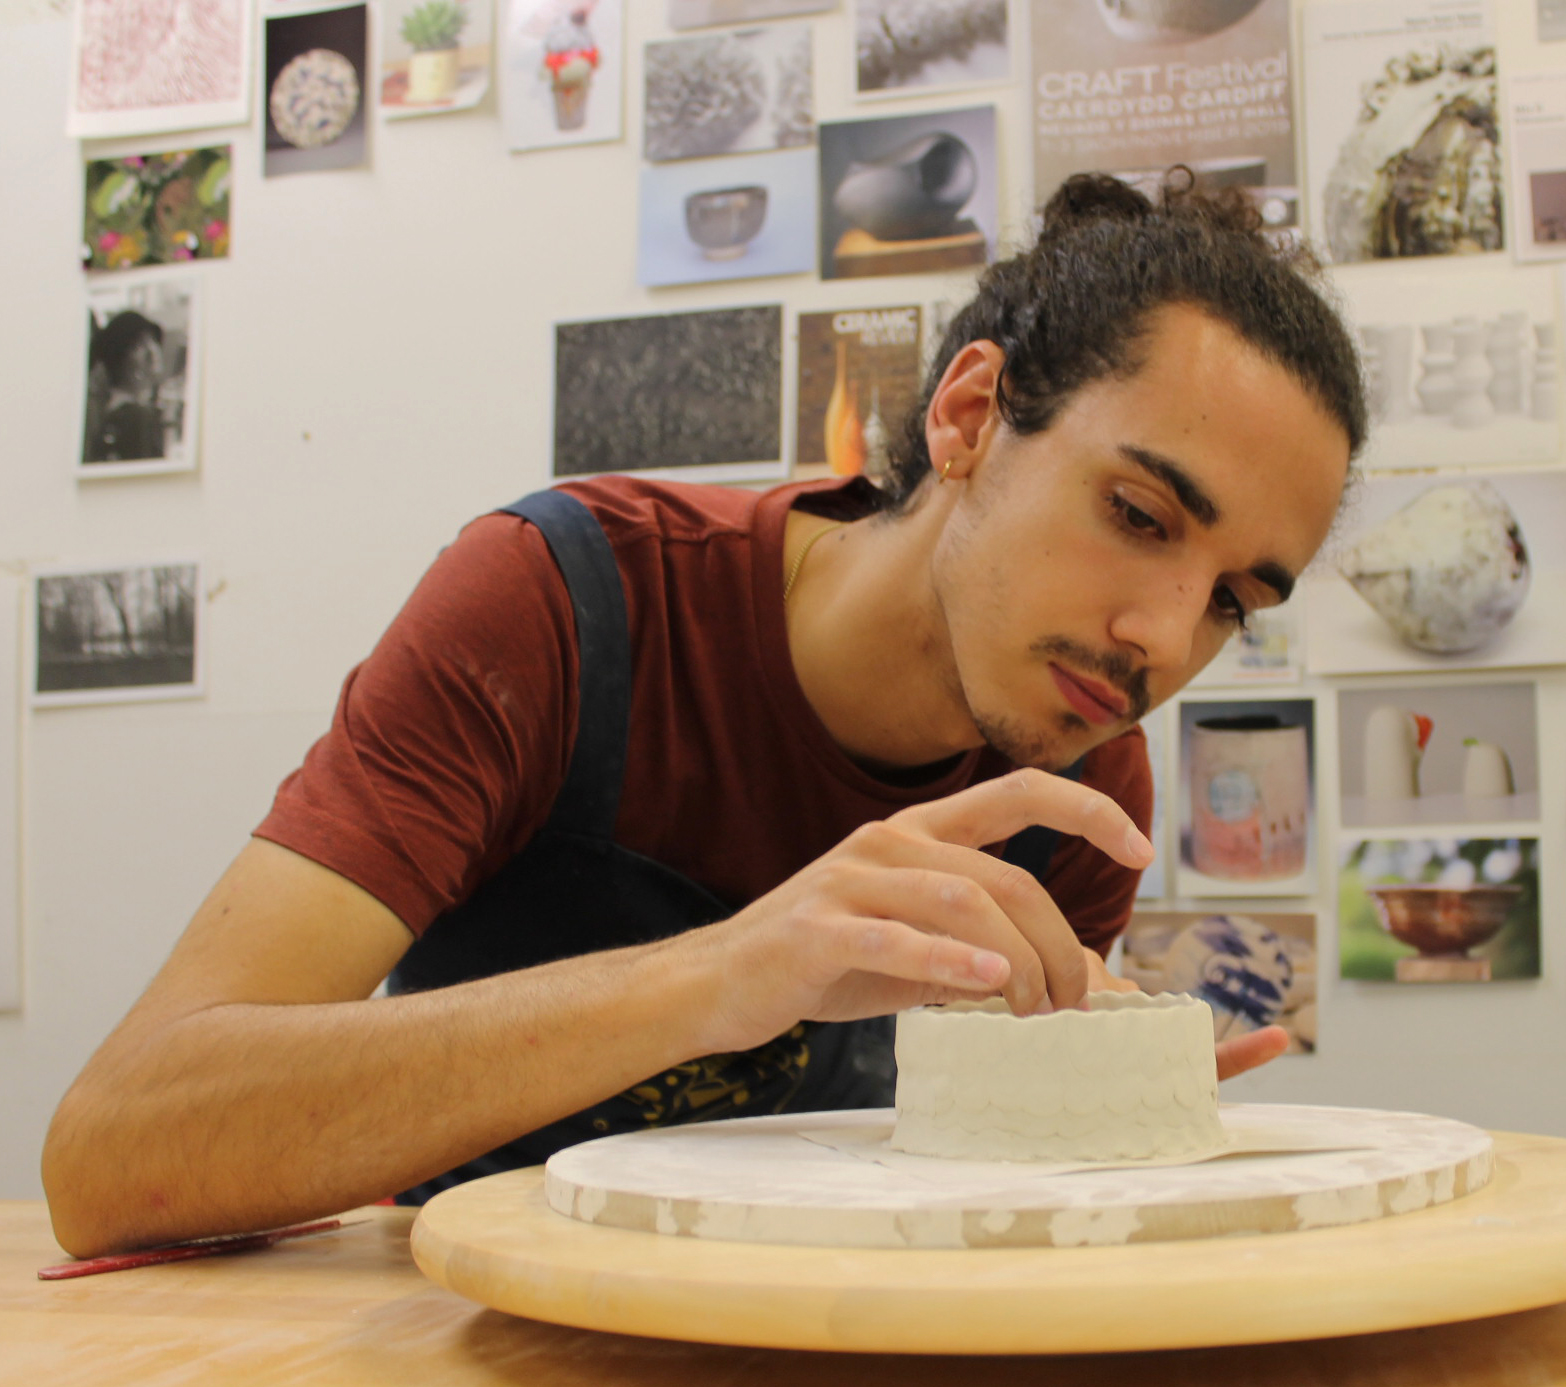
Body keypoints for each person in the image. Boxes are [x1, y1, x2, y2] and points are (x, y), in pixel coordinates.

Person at [42, 171, 1365, 1257]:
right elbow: (113, 1154)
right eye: (1137, 516)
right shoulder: (559, 602)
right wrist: (726, 971)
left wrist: (1119, 1122)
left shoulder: (1076, 784)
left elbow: (962, 1208)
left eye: (1231, 601)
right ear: (969, 413)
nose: (1160, 637)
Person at [83, 309, 167, 464]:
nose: (153, 352)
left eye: (153, 342)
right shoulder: (137, 417)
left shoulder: (116, 413)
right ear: (121, 359)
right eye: (140, 345)